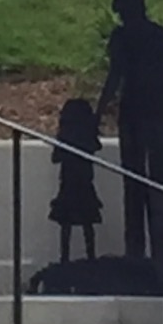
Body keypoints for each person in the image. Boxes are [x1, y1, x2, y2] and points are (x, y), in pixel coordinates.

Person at [98, 0, 163, 260]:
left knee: (134, 186)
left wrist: (98, 111)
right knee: (159, 186)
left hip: (136, 115)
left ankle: (136, 256)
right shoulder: (162, 37)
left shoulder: (121, 38)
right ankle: (160, 259)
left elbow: (116, 76)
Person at [49, 96, 104, 265]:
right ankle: (90, 256)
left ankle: (65, 257)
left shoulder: (66, 136)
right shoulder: (85, 137)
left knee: (68, 224)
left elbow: (55, 157)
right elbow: (96, 147)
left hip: (71, 183)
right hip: (82, 183)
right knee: (86, 223)